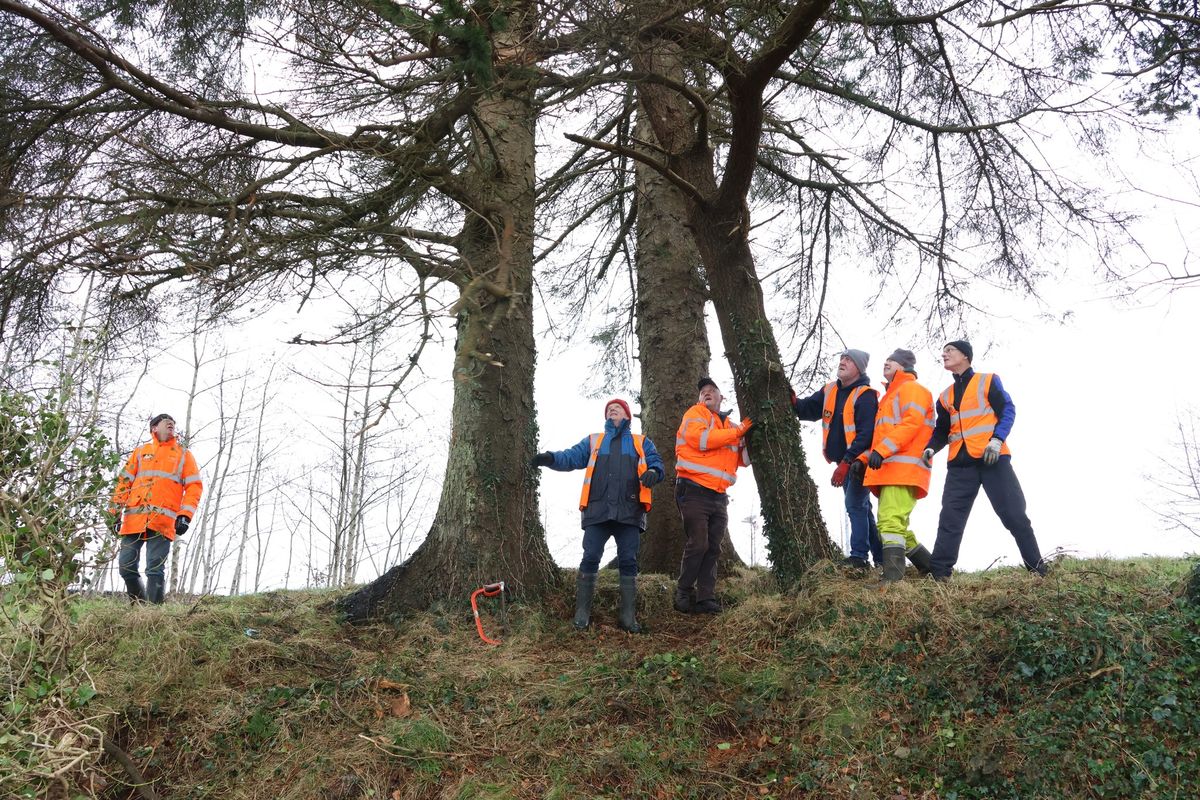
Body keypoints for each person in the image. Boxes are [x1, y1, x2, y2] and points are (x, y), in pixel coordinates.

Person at [531, 398, 665, 633]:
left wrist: (654, 472)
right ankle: (581, 615)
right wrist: (550, 458)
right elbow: (571, 457)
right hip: (597, 509)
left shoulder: (641, 442)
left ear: (627, 416)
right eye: (609, 410)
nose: (612, 411)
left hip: (629, 510)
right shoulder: (594, 441)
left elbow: (656, 463)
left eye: (617, 409)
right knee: (590, 556)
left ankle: (627, 617)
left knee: (628, 561)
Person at [923, 340, 1046, 580]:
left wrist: (997, 440)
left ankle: (1037, 570)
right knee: (950, 518)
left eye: (950, 350)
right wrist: (931, 448)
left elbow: (1008, 410)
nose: (944, 354)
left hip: (992, 459)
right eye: (943, 351)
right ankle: (939, 576)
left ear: (966, 356)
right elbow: (942, 430)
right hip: (960, 464)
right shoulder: (944, 396)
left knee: (1014, 514)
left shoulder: (988, 381)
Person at [792, 349, 884, 571]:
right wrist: (792, 400)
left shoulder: (866, 395)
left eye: (849, 360)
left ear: (859, 368)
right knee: (861, 508)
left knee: (855, 505)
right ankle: (880, 558)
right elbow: (808, 409)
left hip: (859, 463)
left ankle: (859, 558)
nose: (842, 362)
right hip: (844, 463)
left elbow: (866, 434)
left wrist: (847, 462)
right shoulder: (830, 389)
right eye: (842, 359)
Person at [853, 350, 935, 582]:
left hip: (904, 470)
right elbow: (882, 437)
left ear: (904, 366)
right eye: (885, 359)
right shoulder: (890, 396)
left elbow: (911, 424)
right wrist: (864, 459)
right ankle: (932, 569)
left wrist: (881, 451)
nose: (886, 362)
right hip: (892, 470)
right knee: (894, 527)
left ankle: (893, 580)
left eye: (892, 360)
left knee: (890, 523)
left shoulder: (912, 389)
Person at [673, 377, 752, 614]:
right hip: (693, 489)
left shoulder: (731, 426)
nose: (706, 393)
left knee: (714, 547)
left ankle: (706, 597)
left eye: (711, 391)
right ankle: (683, 591)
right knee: (699, 543)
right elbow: (701, 440)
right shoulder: (695, 414)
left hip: (718, 495)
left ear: (721, 397)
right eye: (702, 392)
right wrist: (738, 433)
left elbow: (743, 460)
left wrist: (747, 439)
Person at [110, 413, 203, 604]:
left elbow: (194, 486)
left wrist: (185, 515)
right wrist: (113, 512)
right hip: (134, 520)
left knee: (154, 568)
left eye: (173, 423)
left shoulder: (183, 455)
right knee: (125, 566)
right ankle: (139, 607)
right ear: (154, 428)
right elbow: (124, 483)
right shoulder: (140, 452)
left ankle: (154, 614)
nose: (171, 424)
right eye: (166, 422)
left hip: (163, 521)